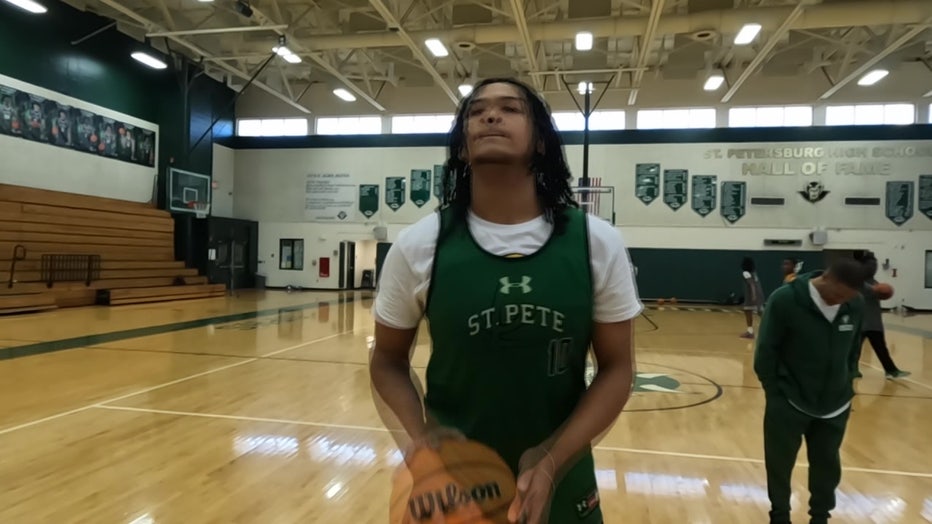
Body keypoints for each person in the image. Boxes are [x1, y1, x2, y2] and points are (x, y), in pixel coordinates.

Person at [369, 77, 642, 524]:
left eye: (510, 109)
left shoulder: (597, 242)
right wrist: (422, 449)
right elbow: (387, 359)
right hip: (447, 492)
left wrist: (552, 461)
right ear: (462, 147)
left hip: (565, 478)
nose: (490, 116)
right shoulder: (420, 244)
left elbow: (618, 367)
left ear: (540, 142)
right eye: (476, 112)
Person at [753, 257, 867, 524]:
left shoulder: (855, 303)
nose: (840, 301)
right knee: (780, 464)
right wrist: (775, 393)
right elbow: (766, 352)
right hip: (788, 400)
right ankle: (780, 515)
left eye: (846, 298)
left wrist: (847, 381)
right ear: (825, 278)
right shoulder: (785, 300)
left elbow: (853, 350)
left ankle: (820, 516)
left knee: (827, 465)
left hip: (835, 403)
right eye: (837, 294)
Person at [854, 254, 909, 379]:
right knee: (854, 350)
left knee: (881, 349)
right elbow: (871, 290)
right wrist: (879, 290)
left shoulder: (874, 282)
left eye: (875, 265)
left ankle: (891, 370)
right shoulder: (857, 282)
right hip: (860, 321)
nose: (874, 267)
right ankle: (852, 370)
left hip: (874, 322)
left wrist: (884, 292)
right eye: (871, 265)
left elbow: (879, 293)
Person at [740, 256, 765, 339]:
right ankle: (773, 327)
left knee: (747, 311)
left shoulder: (745, 273)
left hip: (751, 295)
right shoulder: (754, 273)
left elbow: (751, 284)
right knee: (761, 312)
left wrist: (753, 295)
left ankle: (750, 332)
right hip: (759, 294)